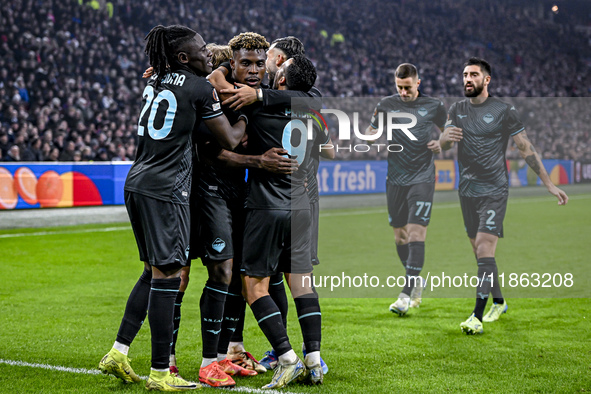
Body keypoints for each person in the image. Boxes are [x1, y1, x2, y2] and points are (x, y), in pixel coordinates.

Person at [98, 24, 246, 391]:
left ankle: (118, 351)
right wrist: (246, 114)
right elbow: (229, 137)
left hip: (137, 183)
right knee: (168, 276)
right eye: (200, 49)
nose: (207, 54)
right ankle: (161, 372)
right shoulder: (201, 88)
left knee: (152, 273)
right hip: (168, 190)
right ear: (183, 57)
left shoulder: (155, 82)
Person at [439, 57, 568, 335]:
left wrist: (549, 184)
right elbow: (444, 145)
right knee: (479, 252)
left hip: (495, 189)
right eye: (464, 75)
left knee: (485, 248)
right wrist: (445, 138)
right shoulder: (456, 109)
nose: (467, 79)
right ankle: (499, 301)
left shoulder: (504, 110)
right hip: (467, 191)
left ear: (486, 80)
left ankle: (476, 316)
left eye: (473, 74)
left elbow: (526, 148)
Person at [240, 55, 324, 389]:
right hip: (301, 206)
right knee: (302, 283)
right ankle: (314, 361)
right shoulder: (314, 110)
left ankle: (287, 358)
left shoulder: (261, 107)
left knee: (254, 286)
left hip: (266, 205)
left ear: (282, 82)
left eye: (279, 70)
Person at [365, 63, 447, 316]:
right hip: (395, 178)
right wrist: (370, 137)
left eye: (408, 87)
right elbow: (371, 130)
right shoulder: (387, 104)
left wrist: (441, 143)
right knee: (399, 237)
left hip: (422, 177)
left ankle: (405, 293)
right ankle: (416, 279)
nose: (403, 92)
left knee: (415, 234)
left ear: (418, 83)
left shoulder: (434, 106)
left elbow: (452, 134)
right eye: (399, 87)